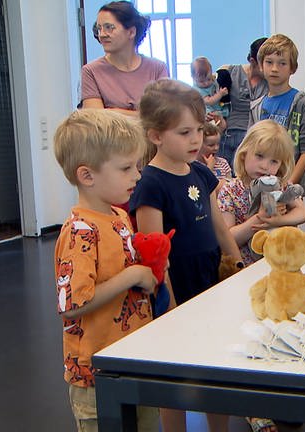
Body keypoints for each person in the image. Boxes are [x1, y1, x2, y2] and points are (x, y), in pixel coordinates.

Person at [129, 78, 242, 432]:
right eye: (184, 132)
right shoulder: (151, 183)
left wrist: (236, 263)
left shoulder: (201, 172)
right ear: (156, 136)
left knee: (215, 361)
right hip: (177, 280)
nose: (195, 139)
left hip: (209, 276)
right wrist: (171, 301)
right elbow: (155, 250)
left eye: (198, 130)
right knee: (174, 368)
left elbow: (219, 227)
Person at [53, 109, 159, 432]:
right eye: (126, 168)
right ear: (87, 176)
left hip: (132, 361)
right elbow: (72, 305)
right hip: (96, 376)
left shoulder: (118, 215)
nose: (137, 176)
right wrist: (132, 275)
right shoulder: (79, 231)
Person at [218, 119, 305, 266]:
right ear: (244, 154)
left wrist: (278, 221)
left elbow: (302, 213)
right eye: (259, 156)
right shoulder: (230, 190)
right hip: (245, 269)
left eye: (274, 161)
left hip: (279, 263)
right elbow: (228, 238)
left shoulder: (279, 185)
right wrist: (260, 218)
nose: (265, 166)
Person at [249, 33, 305, 200]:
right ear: (261, 65)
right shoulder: (257, 106)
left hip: (289, 188)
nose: (274, 69)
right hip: (260, 187)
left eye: (282, 63)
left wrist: (288, 184)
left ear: (292, 68)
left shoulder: (303, 104)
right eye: (269, 62)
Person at [80, 1, 168, 116]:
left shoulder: (157, 68)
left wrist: (112, 112)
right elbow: (96, 121)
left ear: (131, 32)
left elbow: (163, 117)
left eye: (109, 27)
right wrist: (142, 115)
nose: (102, 34)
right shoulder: (90, 71)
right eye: (99, 28)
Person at [217, 37, 270, 167]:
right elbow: (205, 91)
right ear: (253, 61)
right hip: (226, 135)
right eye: (266, 63)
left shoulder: (270, 82)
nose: (270, 68)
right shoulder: (229, 72)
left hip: (252, 139)